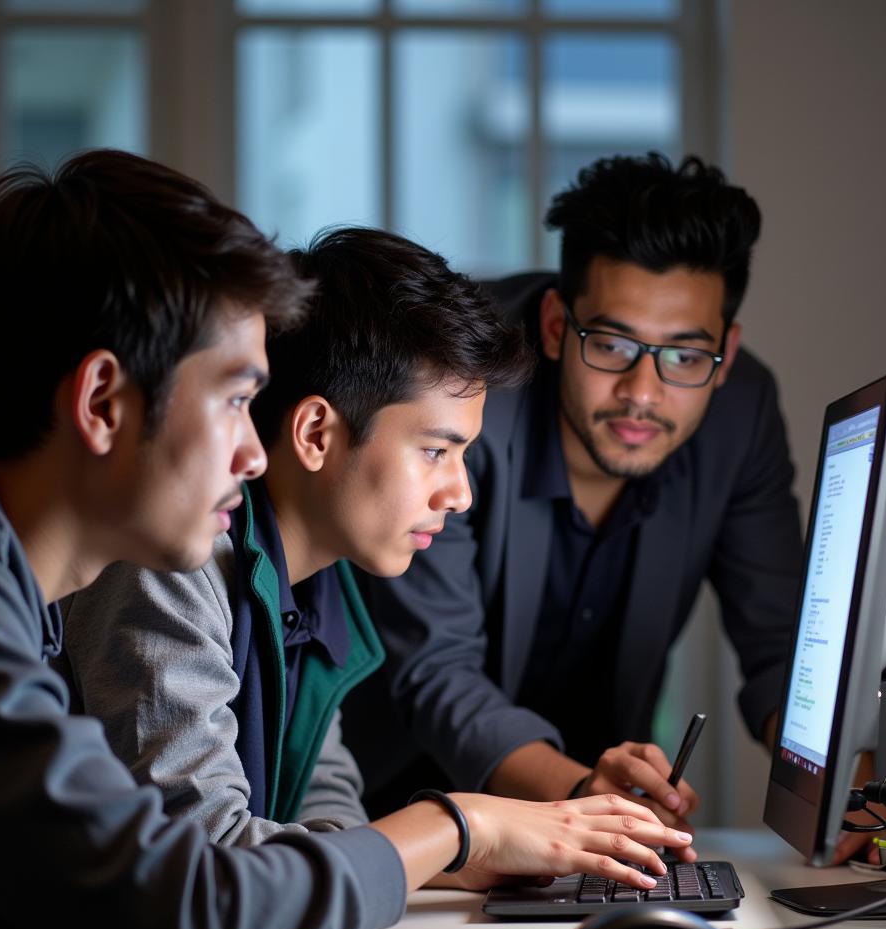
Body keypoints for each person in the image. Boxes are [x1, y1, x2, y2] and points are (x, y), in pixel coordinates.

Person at [0, 150, 691, 929]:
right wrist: (461, 826)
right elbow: (191, 908)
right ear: (103, 404)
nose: (252, 451)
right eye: (236, 400)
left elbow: (250, 860)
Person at [342, 152, 805, 844]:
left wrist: (843, 791)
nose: (643, 394)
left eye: (685, 356)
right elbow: (436, 668)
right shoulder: (465, 389)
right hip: (397, 804)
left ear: (726, 353)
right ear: (556, 325)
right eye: (614, 344)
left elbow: (780, 646)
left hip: (593, 817)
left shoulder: (741, 414)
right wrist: (581, 794)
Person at [55, 225, 533, 846]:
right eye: (437, 451)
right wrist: (459, 835)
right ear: (314, 434)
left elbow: (324, 797)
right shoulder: (171, 561)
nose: (460, 494)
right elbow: (209, 858)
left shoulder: (319, 583)